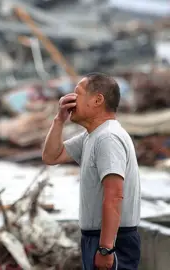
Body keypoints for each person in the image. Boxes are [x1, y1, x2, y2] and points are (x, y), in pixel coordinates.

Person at [41, 73, 141, 270]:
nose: (70, 99)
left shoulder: (108, 138)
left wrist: (106, 249)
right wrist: (59, 120)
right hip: (98, 238)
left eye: (77, 93)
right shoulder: (92, 136)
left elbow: (114, 196)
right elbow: (51, 156)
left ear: (97, 100)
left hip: (113, 240)